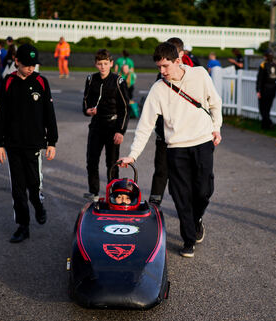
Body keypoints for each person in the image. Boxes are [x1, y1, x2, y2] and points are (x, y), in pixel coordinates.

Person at [118, 42, 222, 258]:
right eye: (158, 68)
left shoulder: (200, 75)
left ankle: (196, 219)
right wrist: (133, 154)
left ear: (178, 61)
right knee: (180, 194)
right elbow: (145, 125)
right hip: (176, 148)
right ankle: (189, 239)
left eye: (165, 66)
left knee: (203, 191)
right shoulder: (158, 89)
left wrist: (216, 128)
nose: (162, 72)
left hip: (203, 142)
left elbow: (215, 103)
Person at [0, 44, 58, 243]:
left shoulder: (41, 81)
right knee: (18, 189)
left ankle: (38, 207)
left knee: (34, 185)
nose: (31, 68)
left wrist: (52, 142)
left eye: (34, 64)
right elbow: (1, 115)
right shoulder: (8, 82)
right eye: (27, 65)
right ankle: (23, 226)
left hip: (34, 145)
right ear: (17, 62)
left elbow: (49, 113)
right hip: (13, 145)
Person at [148, 37, 193, 206]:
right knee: (161, 168)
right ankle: (155, 202)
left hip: (186, 134)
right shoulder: (162, 75)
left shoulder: (194, 73)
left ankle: (187, 208)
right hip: (165, 131)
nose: (163, 69)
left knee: (183, 173)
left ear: (180, 55)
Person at [82, 49, 129, 201]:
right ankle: (94, 192)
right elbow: (85, 101)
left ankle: (113, 194)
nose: (103, 67)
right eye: (100, 64)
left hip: (113, 126)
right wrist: (88, 110)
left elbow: (125, 109)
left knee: (112, 163)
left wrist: (120, 131)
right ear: (96, 64)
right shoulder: (91, 79)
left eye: (105, 63)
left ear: (111, 64)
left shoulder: (118, 81)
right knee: (92, 160)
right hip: (96, 125)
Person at [256, 48, 276, 130]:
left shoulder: (263, 65)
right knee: (267, 108)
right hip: (273, 89)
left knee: (262, 108)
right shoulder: (275, 65)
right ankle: (265, 125)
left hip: (264, 89)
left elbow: (259, 78)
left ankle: (269, 123)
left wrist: (258, 90)